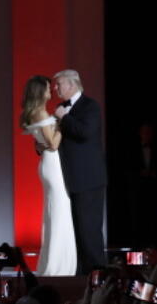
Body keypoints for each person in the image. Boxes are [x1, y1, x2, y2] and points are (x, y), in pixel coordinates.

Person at [19, 75, 77, 276]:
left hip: (49, 163)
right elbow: (53, 143)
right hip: (52, 165)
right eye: (46, 89)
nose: (50, 92)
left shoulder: (35, 112)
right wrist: (61, 121)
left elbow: (42, 142)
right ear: (38, 92)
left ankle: (57, 264)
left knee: (56, 213)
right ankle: (58, 267)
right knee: (59, 213)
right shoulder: (40, 112)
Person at [51, 68, 108, 274]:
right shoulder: (60, 108)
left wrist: (64, 118)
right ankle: (83, 276)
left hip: (88, 179)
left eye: (59, 84)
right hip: (70, 180)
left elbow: (85, 133)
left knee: (89, 230)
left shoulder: (90, 106)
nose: (55, 88)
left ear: (72, 84)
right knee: (76, 231)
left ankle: (99, 275)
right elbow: (55, 139)